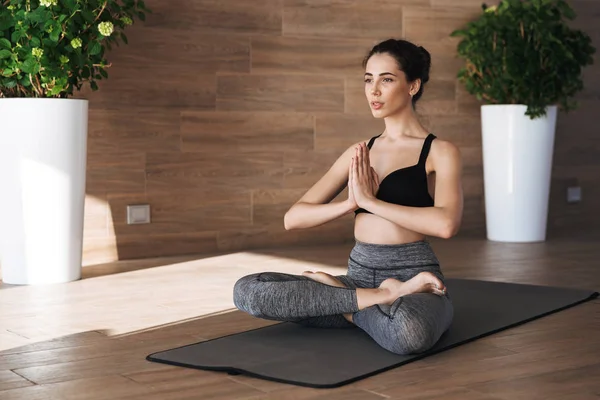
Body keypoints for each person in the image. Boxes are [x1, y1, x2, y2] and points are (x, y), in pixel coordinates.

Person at [233, 38, 463, 355]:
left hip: (415, 277)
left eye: (387, 79)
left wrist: (372, 203)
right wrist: (349, 204)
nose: (374, 90)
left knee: (411, 331)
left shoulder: (439, 151)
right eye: (368, 80)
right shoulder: (360, 151)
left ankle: (349, 302)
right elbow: (293, 218)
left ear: (413, 85)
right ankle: (378, 298)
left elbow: (446, 224)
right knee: (249, 291)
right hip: (357, 277)